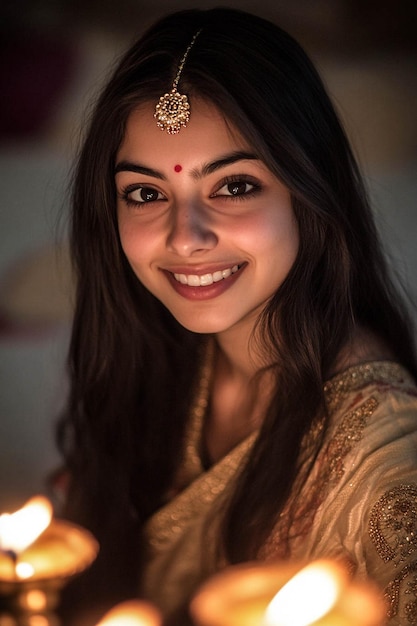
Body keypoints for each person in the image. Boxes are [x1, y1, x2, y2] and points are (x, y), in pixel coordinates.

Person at [56, 7, 417, 626]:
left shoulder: (388, 463)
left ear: (309, 190)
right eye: (146, 193)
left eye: (235, 186)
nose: (186, 238)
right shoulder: (159, 357)